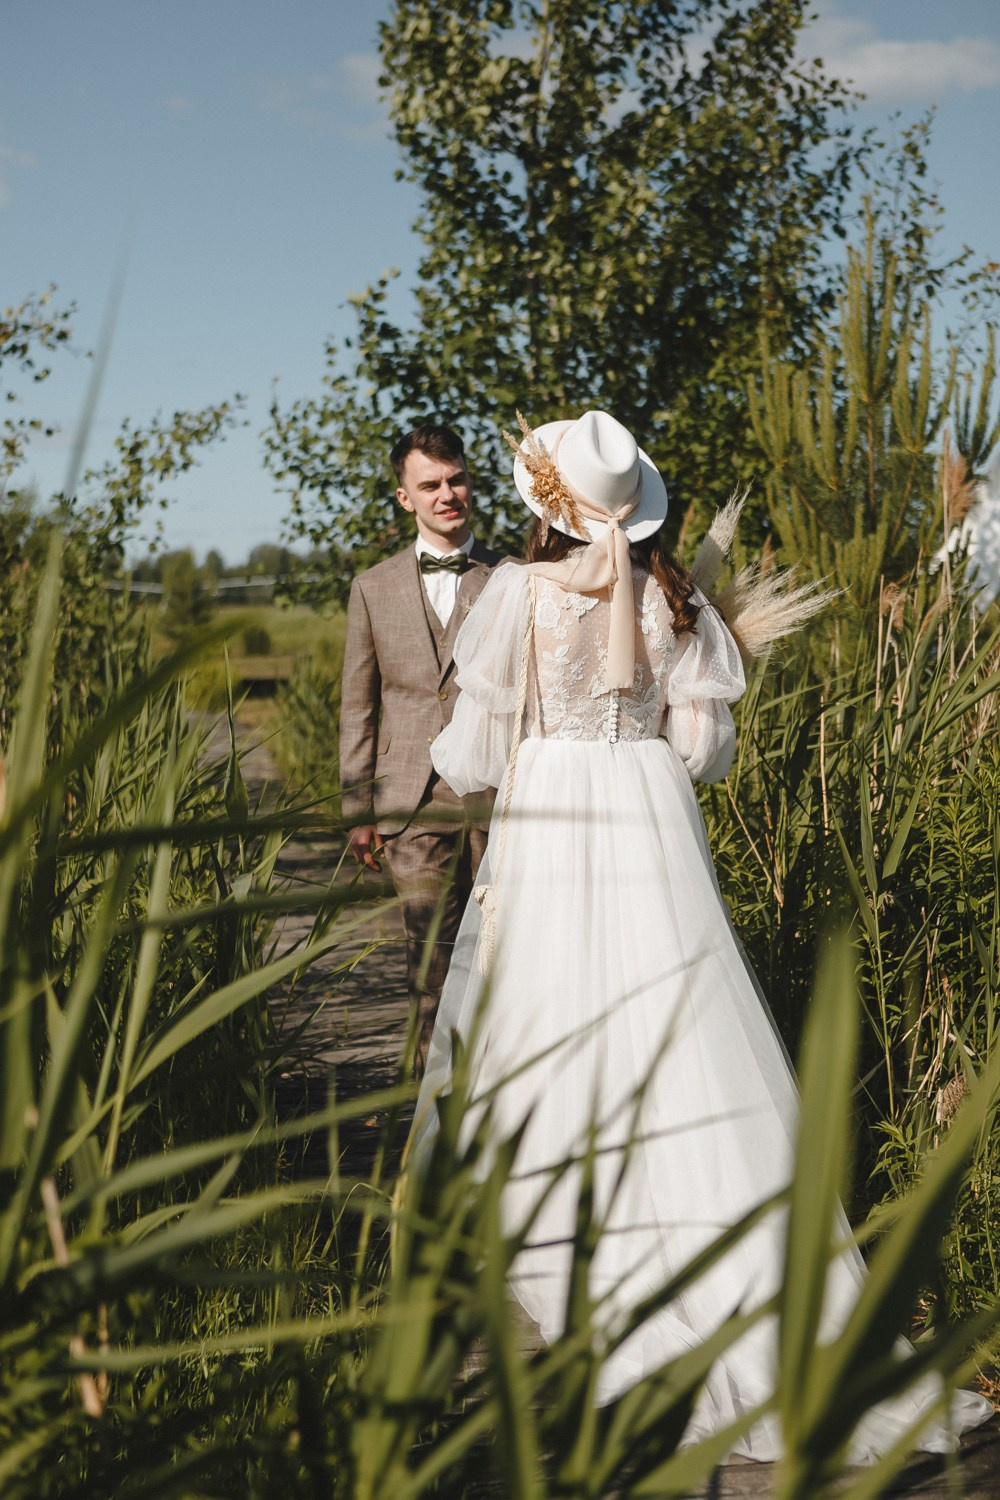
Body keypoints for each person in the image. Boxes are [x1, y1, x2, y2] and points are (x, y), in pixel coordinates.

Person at [409, 409, 993, 1459]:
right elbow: (702, 754)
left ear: (546, 503)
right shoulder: (677, 600)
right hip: (645, 817)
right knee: (678, 1023)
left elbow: (474, 756)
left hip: (552, 814)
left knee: (555, 1015)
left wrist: (563, 742)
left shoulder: (512, 596)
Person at [339, 423, 500, 1072]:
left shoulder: (512, 577)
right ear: (405, 497)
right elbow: (359, 704)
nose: (446, 493)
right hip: (409, 799)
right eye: (429, 484)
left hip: (497, 795)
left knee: (501, 954)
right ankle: (434, 1117)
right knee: (428, 962)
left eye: (455, 478)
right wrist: (358, 809)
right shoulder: (371, 589)